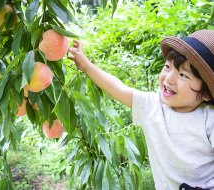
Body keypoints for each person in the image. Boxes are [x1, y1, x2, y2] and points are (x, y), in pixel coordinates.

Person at [68, 29, 214, 190]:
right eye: (167, 67)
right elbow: (119, 88)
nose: (169, 78)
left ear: (206, 93)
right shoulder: (153, 106)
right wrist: (86, 65)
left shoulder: (209, 120)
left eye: (183, 75)